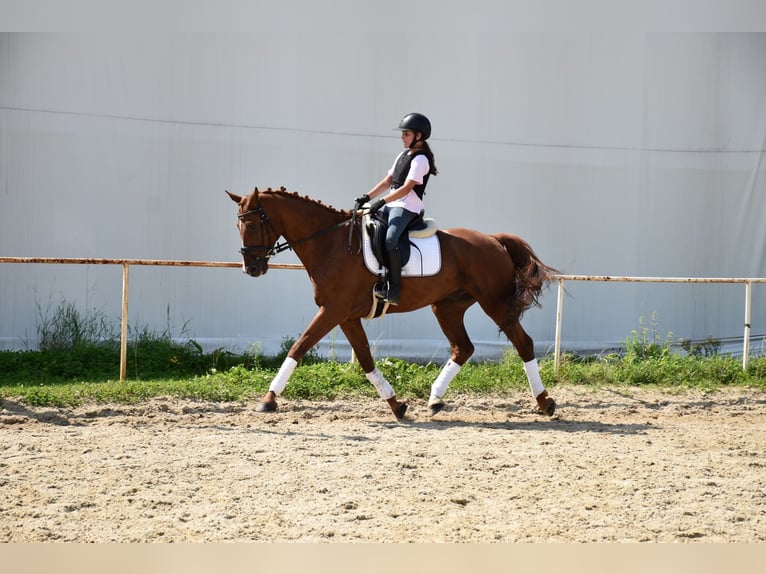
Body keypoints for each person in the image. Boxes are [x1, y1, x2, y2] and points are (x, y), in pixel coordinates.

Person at [355, 112, 438, 305]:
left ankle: (395, 289)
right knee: (366, 227)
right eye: (403, 134)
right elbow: (388, 181)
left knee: (391, 239)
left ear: (419, 136)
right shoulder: (403, 155)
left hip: (408, 207)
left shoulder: (421, 160)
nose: (402, 137)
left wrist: (381, 202)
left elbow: (407, 188)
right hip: (392, 203)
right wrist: (367, 197)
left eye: (406, 134)